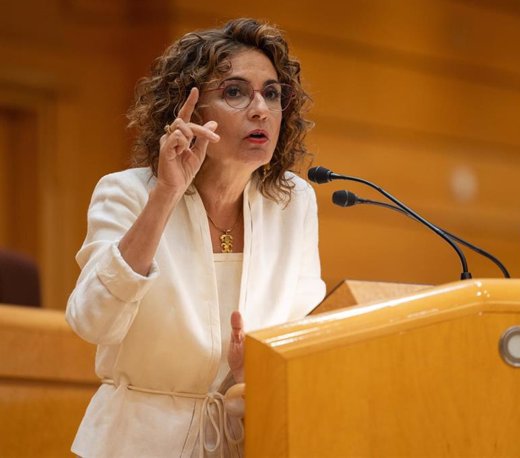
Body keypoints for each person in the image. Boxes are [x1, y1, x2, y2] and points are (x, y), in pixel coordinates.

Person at [65, 18, 326, 457]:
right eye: (235, 92)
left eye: (272, 93)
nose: (260, 108)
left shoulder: (291, 201)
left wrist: (258, 370)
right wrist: (165, 195)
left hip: (249, 438)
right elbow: (92, 321)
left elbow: (305, 326)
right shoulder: (128, 192)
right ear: (187, 110)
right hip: (138, 443)